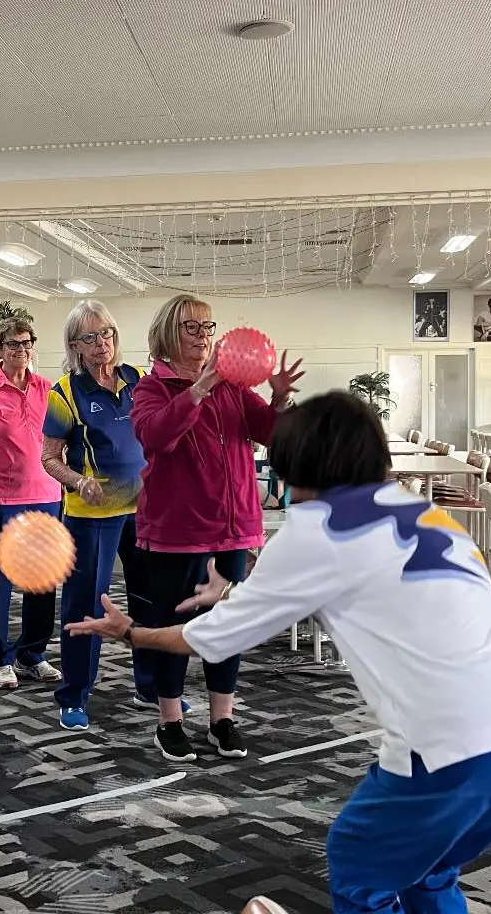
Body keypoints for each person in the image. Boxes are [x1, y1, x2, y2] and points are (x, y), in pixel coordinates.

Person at [67, 390, 491, 914]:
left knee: (358, 862)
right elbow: (361, 584)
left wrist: (132, 633)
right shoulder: (421, 510)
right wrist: (231, 596)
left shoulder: (315, 530)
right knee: (425, 869)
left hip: (459, 741)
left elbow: (210, 638)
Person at [131, 294, 303, 762]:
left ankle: (221, 718)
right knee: (175, 626)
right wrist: (198, 390)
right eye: (193, 328)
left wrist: (280, 398)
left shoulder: (232, 387)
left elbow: (270, 432)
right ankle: (169, 721)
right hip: (177, 531)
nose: (205, 337)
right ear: (169, 332)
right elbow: (155, 437)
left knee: (228, 624)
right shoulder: (151, 389)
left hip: (234, 527)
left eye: (209, 328)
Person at [40, 301, 153, 729]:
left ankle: (150, 686)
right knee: (86, 604)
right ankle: (73, 695)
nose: (102, 343)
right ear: (75, 346)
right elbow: (48, 458)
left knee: (149, 600)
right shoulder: (64, 394)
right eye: (91, 337)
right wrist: (76, 481)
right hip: (93, 514)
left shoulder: (136, 379)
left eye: (107, 333)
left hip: (143, 511)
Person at [0, 316, 65, 689]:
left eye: (26, 343)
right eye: (13, 345)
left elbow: (60, 443)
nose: (21, 350)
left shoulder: (47, 388)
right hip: (2, 498)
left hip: (47, 496)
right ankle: (0, 657)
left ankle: (32, 654)